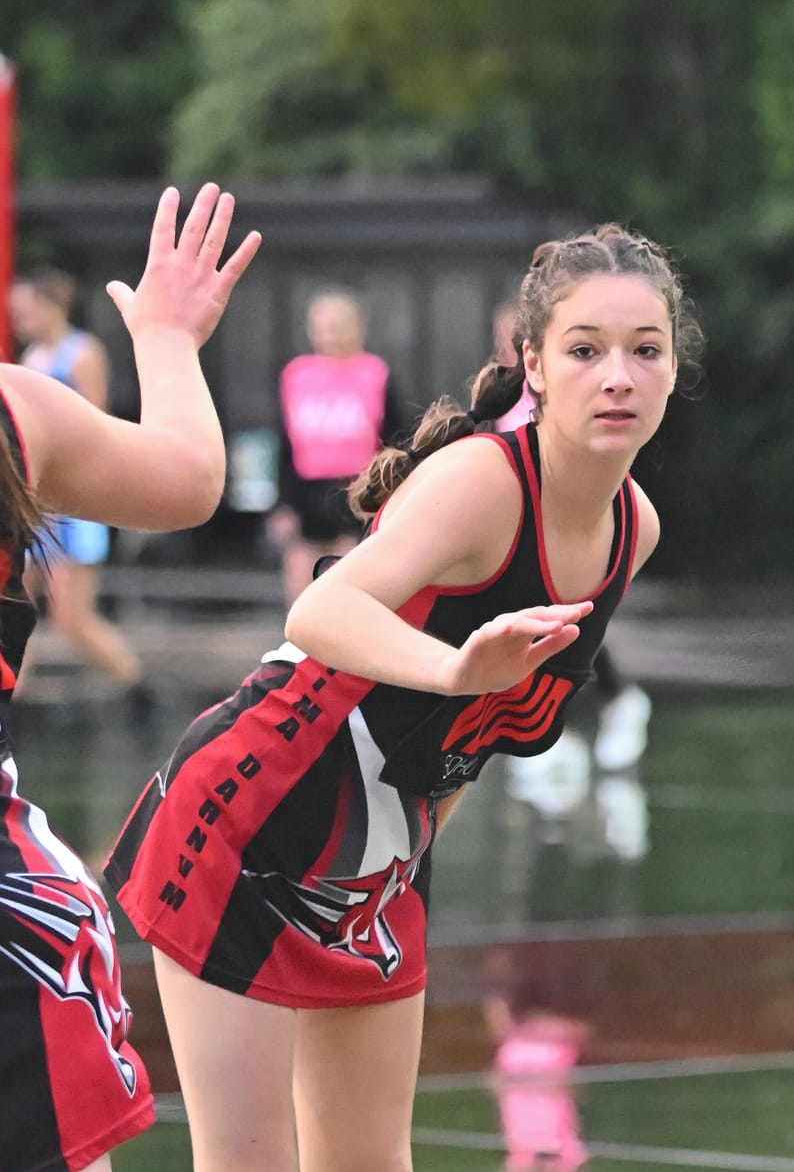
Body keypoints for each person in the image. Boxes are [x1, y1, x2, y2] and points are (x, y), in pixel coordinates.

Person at [103, 225, 696, 1171]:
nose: (618, 375)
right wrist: (456, 669)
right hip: (243, 828)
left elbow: (465, 748)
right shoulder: (483, 483)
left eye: (646, 350)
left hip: (377, 867)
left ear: (673, 369)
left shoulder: (634, 530)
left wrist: (400, 860)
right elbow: (319, 609)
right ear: (535, 365)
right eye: (586, 350)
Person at [0, 185, 261, 1172]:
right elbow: (191, 475)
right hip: (21, 926)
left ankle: (136, 684)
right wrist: (167, 338)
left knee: (79, 612)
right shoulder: (16, 403)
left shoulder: (39, 386)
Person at [490, 299, 653, 773]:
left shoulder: (567, 390)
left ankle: (606, 704)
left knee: (566, 619)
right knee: (542, 622)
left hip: (563, 517)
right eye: (502, 335)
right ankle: (553, 728)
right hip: (523, 518)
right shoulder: (501, 393)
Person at [7, 270, 147, 703]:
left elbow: (96, 424)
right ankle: (11, 699)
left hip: (72, 502)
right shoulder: (32, 357)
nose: (20, 319)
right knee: (13, 606)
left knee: (72, 618)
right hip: (37, 499)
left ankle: (140, 692)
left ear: (52, 306)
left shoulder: (82, 353)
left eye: (26, 309)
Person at [270, 290, 406, 603]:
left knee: (348, 582)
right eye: (320, 327)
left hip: (356, 490)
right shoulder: (297, 374)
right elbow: (285, 442)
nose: (327, 336)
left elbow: (393, 440)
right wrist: (283, 504)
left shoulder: (374, 373)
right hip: (306, 493)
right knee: (300, 585)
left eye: (335, 326)